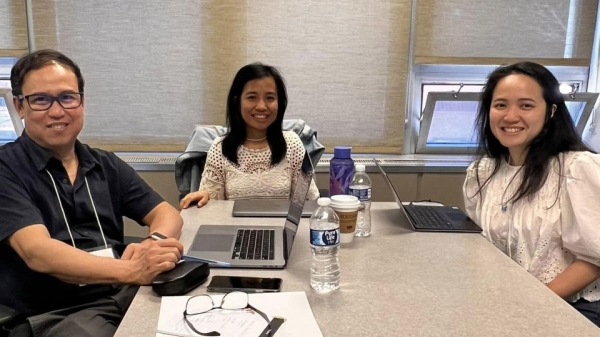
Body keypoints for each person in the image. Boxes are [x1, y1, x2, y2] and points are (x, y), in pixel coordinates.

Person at [0, 49, 184, 337]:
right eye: (40, 100)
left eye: (67, 97)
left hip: (120, 295)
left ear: (82, 102)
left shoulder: (104, 163)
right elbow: (38, 252)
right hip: (53, 314)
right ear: (19, 106)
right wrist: (133, 270)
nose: (57, 111)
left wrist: (154, 242)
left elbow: (166, 213)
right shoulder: (5, 169)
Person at [463, 61, 600, 326]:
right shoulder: (482, 172)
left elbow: (595, 257)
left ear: (551, 111)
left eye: (526, 105)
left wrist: (530, 306)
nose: (510, 116)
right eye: (500, 104)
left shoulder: (576, 168)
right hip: (509, 301)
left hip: (574, 307)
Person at [179, 63, 319, 209]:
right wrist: (205, 197)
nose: (261, 106)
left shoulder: (293, 144)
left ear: (280, 103)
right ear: (236, 100)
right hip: (234, 230)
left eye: (270, 98)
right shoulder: (219, 148)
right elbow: (213, 208)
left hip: (282, 230)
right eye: (252, 97)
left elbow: (310, 203)